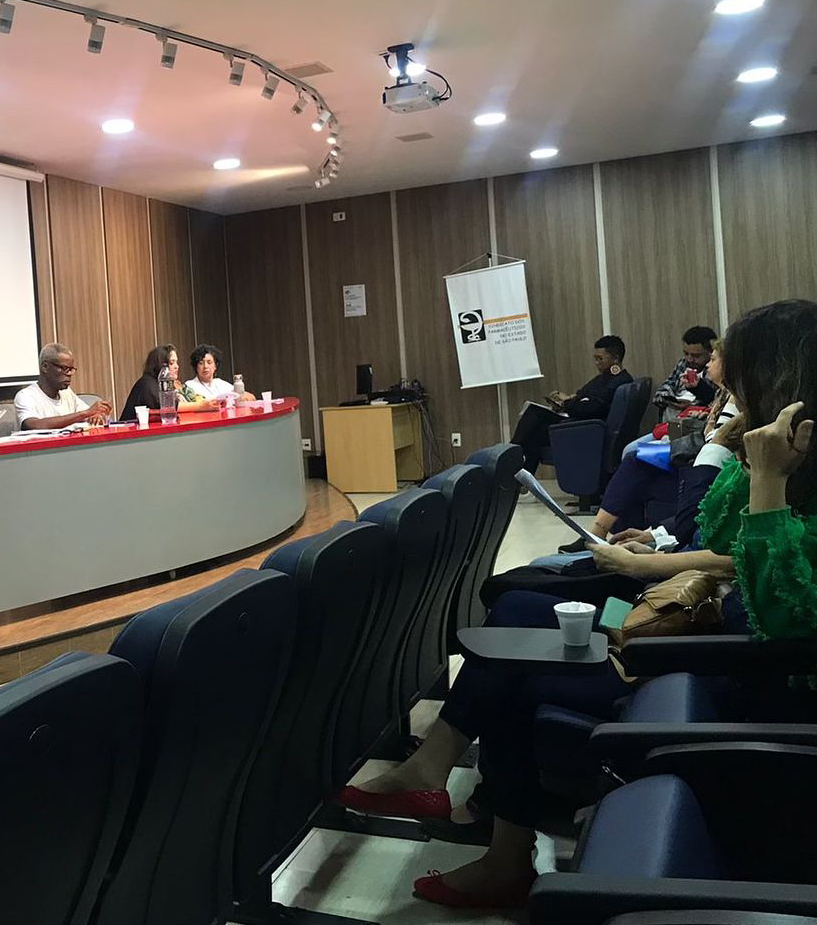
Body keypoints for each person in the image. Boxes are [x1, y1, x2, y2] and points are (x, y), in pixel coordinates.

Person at [339, 299, 817, 911]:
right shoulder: (771, 454)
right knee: (514, 619)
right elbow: (709, 531)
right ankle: (454, 793)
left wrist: (766, 484)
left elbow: (782, 619)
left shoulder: (786, 474)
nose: (723, 389)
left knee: (515, 665)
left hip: (725, 674)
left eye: (737, 377)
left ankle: (487, 837)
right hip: (696, 638)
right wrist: (725, 453)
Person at [555, 340, 736, 551]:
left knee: (634, 458)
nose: (707, 365)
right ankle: (616, 540)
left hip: (698, 464)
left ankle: (597, 534)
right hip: (690, 450)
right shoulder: (721, 393)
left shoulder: (734, 400)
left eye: (713, 360)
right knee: (636, 459)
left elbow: (715, 443)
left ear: (729, 365)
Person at [509, 335, 634, 473]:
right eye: (595, 359)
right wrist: (568, 400)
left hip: (586, 428)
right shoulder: (605, 377)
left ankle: (511, 459)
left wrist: (567, 403)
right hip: (579, 420)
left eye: (600, 359)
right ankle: (518, 471)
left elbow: (591, 408)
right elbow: (582, 394)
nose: (597, 363)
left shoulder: (617, 382)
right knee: (534, 418)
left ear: (615, 358)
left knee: (534, 426)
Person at [13, 343, 111, 430]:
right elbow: (33, 425)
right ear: (45, 367)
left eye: (71, 369)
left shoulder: (67, 393)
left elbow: (89, 414)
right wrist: (85, 413)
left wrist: (96, 416)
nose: (69, 374)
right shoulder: (26, 396)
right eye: (64, 368)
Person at [119, 344, 221, 422]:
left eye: (176, 362)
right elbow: (170, 406)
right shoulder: (147, 384)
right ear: (160, 365)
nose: (177, 366)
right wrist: (201, 406)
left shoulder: (163, 383)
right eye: (172, 363)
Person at [653, 325, 719, 421]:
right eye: (686, 354)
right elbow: (664, 388)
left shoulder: (715, 369)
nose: (689, 359)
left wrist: (691, 404)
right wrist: (669, 400)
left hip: (695, 419)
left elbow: (715, 399)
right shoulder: (683, 364)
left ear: (710, 352)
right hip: (670, 417)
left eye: (696, 356)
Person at [185, 343, 255, 401]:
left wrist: (244, 397)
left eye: (209, 362)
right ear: (195, 367)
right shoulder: (189, 386)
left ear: (215, 366)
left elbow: (248, 396)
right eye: (201, 363)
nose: (205, 366)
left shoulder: (220, 383)